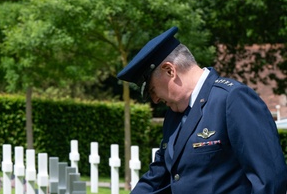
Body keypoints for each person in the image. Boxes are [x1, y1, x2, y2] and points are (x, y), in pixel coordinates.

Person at [117, 26, 287, 194]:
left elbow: (270, 181)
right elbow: (158, 175)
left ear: (170, 70)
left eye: (152, 90)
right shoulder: (174, 115)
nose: (155, 100)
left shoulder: (232, 98)